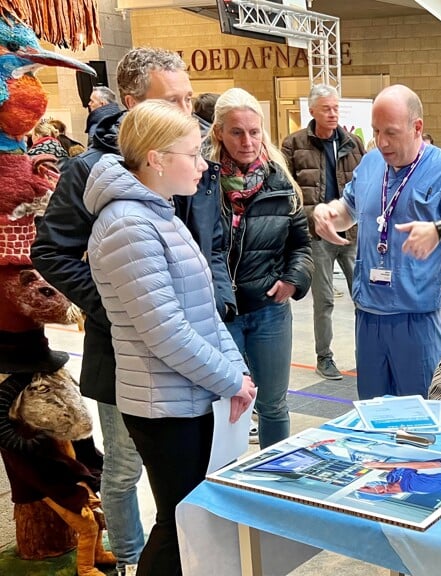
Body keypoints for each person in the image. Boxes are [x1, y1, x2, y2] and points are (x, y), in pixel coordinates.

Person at [32, 47, 235, 576]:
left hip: (191, 352)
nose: (188, 110)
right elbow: (51, 253)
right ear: (134, 108)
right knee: (126, 471)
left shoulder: (188, 167)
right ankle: (124, 557)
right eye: (174, 100)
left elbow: (208, 246)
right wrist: (118, 305)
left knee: (187, 498)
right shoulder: (96, 178)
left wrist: (217, 307)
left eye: (190, 98)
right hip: (133, 357)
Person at [83, 99, 256, 576]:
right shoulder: (127, 225)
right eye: (193, 154)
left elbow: (202, 310)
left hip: (191, 396)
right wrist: (229, 379)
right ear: (157, 159)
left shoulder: (159, 214)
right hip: (165, 405)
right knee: (181, 526)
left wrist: (235, 371)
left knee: (193, 524)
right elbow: (164, 331)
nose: (204, 164)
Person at [312, 84, 441, 399]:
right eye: (376, 131)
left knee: (422, 416)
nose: (382, 142)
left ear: (417, 128)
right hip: (369, 314)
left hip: (416, 318)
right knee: (374, 413)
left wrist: (440, 230)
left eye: (391, 132)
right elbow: (349, 209)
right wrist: (327, 213)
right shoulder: (371, 163)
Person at [208, 87, 313, 449]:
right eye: (237, 132)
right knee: (230, 404)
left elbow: (300, 244)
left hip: (268, 310)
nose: (247, 141)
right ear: (219, 131)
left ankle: (273, 479)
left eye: (254, 132)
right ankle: (230, 480)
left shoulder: (280, 183)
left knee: (272, 405)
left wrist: (292, 280)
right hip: (222, 314)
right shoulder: (201, 183)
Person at [282, 84, 365, 380]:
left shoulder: (353, 143)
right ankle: (324, 356)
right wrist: (311, 217)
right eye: (327, 108)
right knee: (325, 299)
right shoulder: (293, 144)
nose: (332, 114)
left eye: (336, 108)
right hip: (317, 235)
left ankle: (366, 353)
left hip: (351, 233)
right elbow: (287, 192)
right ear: (312, 110)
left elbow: (365, 186)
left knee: (364, 296)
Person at [356, 460, 441, 495]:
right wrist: (382, 465)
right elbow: (435, 465)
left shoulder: (391, 479)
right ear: (380, 492)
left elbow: (396, 469)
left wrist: (373, 465)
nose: (367, 483)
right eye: (366, 487)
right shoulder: (418, 486)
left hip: (425, 454)